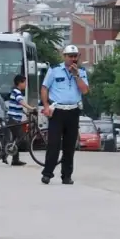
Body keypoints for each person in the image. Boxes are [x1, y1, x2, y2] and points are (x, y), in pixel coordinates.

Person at [39, 44, 89, 185]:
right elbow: (44, 88)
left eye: (75, 56)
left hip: (73, 111)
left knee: (69, 145)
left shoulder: (82, 71)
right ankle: (47, 173)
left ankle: (66, 175)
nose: (73, 59)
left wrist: (76, 75)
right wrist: (46, 106)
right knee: (53, 144)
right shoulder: (54, 70)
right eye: (70, 56)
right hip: (57, 111)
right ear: (64, 56)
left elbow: (85, 91)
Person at [5, 74, 31, 166]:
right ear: (20, 83)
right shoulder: (17, 92)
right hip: (13, 119)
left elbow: (17, 106)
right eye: (25, 82)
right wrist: (30, 108)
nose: (26, 84)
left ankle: (15, 159)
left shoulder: (15, 91)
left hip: (14, 119)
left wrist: (26, 112)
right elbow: (21, 101)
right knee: (21, 137)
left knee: (17, 138)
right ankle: (5, 153)